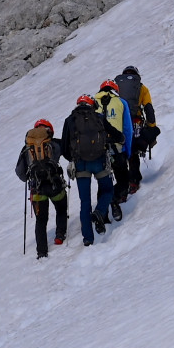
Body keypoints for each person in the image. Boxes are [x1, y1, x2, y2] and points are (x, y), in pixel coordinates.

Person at [60, 94, 114, 246]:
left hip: (81, 165)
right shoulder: (98, 117)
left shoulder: (70, 120)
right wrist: (121, 138)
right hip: (99, 161)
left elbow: (64, 148)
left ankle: (88, 239)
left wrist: (73, 159)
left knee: (85, 201)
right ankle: (100, 212)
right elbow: (112, 133)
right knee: (108, 190)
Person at [14, 119, 68, 258]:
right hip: (55, 185)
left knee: (41, 220)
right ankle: (60, 235)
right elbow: (69, 151)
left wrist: (30, 178)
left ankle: (42, 252)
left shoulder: (27, 147)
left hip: (37, 189)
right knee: (61, 208)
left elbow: (20, 172)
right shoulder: (54, 143)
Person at [113, 65, 159, 194]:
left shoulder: (115, 89)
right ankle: (133, 181)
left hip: (118, 124)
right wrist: (152, 128)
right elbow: (148, 108)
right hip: (135, 123)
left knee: (120, 153)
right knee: (133, 152)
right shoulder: (142, 88)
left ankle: (122, 184)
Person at [95, 79, 133, 221]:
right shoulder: (121, 102)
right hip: (117, 148)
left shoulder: (93, 103)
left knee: (102, 183)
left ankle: (102, 217)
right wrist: (127, 150)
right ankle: (114, 199)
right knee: (123, 181)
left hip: (98, 151)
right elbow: (127, 129)